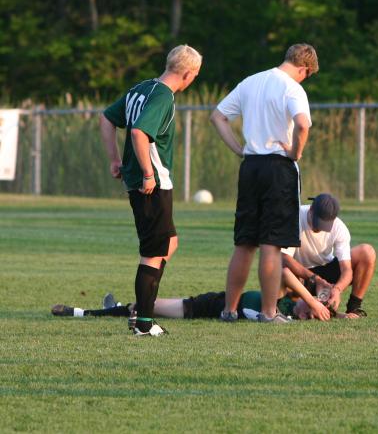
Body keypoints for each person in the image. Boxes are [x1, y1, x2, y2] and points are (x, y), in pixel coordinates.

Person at [210, 44, 318, 323]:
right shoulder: (292, 88)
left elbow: (218, 116)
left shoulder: (251, 82)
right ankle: (269, 313)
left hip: (251, 167)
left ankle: (229, 309)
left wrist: (238, 148)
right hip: (278, 169)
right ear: (304, 68)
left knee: (244, 242)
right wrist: (295, 152)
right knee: (271, 244)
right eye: (307, 74)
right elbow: (304, 124)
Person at [99, 45, 202, 336]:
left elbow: (106, 118)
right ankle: (143, 322)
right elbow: (138, 132)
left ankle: (144, 307)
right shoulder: (163, 96)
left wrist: (115, 160)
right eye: (195, 75)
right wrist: (147, 173)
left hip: (143, 180)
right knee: (153, 252)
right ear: (187, 74)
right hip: (152, 183)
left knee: (168, 243)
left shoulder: (141, 88)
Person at [50, 268, 350, 321]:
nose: (307, 312)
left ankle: (88, 312)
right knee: (145, 306)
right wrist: (313, 297)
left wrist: (341, 316)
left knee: (146, 308)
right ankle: (96, 311)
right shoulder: (286, 298)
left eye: (310, 315)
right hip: (216, 301)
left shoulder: (286, 318)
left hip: (212, 309)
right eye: (311, 308)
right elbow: (283, 271)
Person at [282, 193, 376, 317]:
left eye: (324, 225)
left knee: (367, 252)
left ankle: (354, 308)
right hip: (299, 274)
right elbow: (284, 258)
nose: (319, 229)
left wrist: (337, 289)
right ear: (311, 210)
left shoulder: (339, 227)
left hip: (326, 269)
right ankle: (297, 304)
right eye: (317, 223)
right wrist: (315, 279)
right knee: (282, 270)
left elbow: (346, 270)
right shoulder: (295, 218)